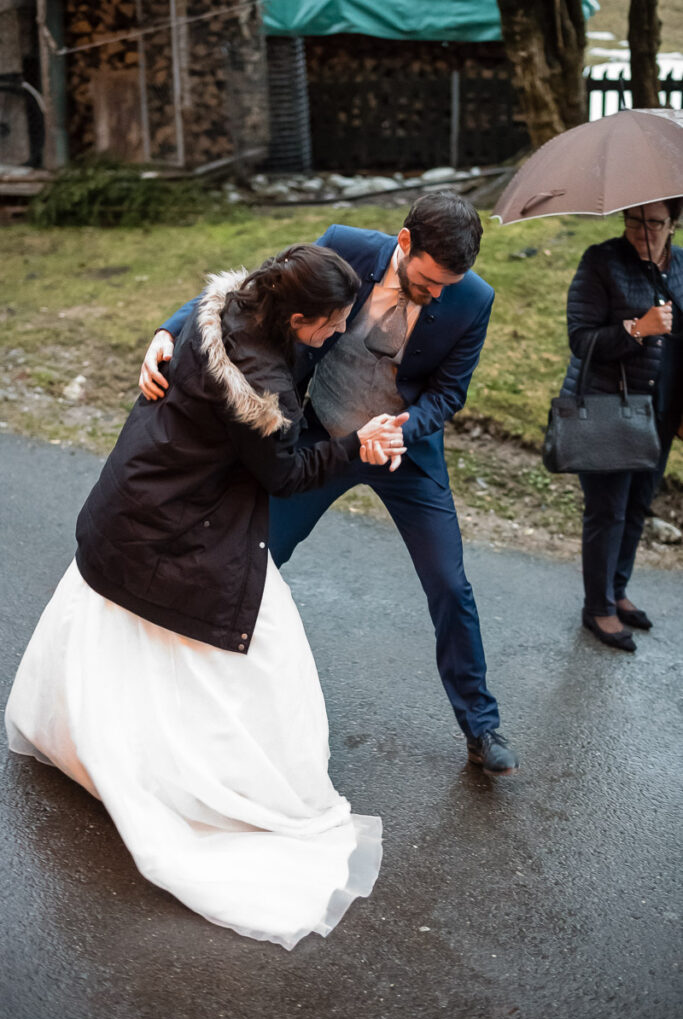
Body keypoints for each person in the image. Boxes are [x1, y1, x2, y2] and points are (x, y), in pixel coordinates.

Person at [5, 244, 410, 950]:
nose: (338, 333)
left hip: (140, 498)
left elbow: (201, 317)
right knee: (258, 653)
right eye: (328, 324)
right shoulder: (254, 384)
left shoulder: (226, 308)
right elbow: (284, 475)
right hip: (177, 521)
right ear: (293, 315)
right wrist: (359, 448)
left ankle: (100, 745)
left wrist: (164, 331)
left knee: (130, 629)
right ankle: (214, 786)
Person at [140, 191, 520, 776]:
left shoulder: (475, 300)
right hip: (320, 438)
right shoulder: (344, 247)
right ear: (404, 241)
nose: (440, 293)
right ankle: (208, 688)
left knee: (449, 584)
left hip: (402, 455)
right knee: (257, 557)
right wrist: (169, 329)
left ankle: (481, 725)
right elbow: (255, 296)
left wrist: (402, 429)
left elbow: (449, 393)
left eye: (451, 284)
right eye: (429, 280)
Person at [561, 198, 683, 651]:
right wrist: (638, 328)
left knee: (637, 504)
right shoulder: (601, 261)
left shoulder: (680, 265)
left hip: (662, 406)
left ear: (673, 224)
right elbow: (581, 339)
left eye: (654, 222)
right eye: (634, 220)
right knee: (607, 509)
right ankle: (598, 607)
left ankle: (617, 588)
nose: (642, 231)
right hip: (609, 402)